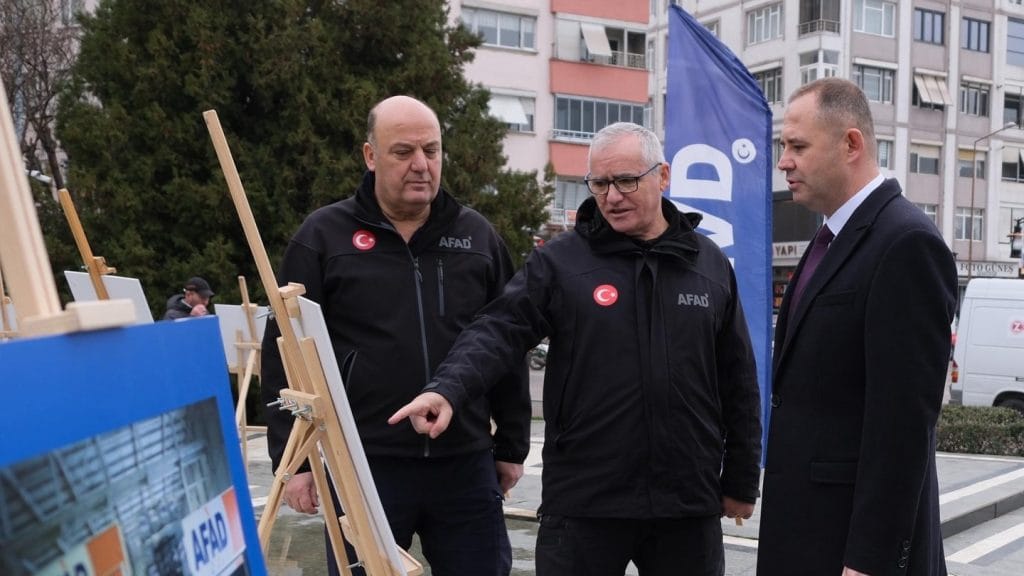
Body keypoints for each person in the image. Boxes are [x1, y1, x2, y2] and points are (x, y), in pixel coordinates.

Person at [390, 121, 762, 576]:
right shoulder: (560, 261)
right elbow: (498, 329)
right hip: (584, 502)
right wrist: (447, 389)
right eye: (599, 184)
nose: (612, 197)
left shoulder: (709, 264)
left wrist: (740, 478)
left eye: (626, 181)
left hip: (685, 503)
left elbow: (738, 378)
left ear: (663, 176)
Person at [260, 95, 530, 576]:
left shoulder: (477, 238)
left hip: (464, 462)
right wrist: (294, 461)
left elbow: (506, 343)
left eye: (432, 150)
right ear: (370, 156)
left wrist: (511, 446)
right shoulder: (323, 237)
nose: (421, 165)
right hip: (364, 465)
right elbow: (284, 354)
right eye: (403, 152)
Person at [757, 78, 957, 575]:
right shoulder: (830, 238)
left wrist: (871, 560)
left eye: (797, 146)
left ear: (851, 144)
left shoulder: (905, 242)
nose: (784, 162)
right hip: (807, 535)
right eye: (783, 146)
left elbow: (902, 425)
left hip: (851, 552)